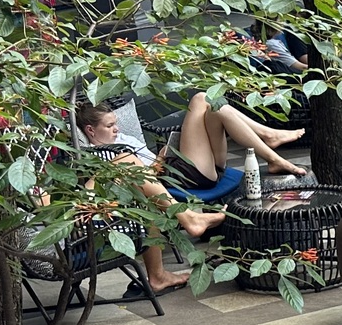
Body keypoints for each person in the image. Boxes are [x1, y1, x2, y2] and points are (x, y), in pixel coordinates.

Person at [73, 97, 302, 294]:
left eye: (116, 123)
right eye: (110, 125)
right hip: (178, 177)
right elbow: (138, 181)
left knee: (211, 102)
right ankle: (270, 144)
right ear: (91, 131)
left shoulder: (122, 140)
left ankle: (269, 140)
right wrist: (158, 163)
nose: (116, 129)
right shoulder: (100, 155)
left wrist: (161, 155)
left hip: (189, 167)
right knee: (200, 99)